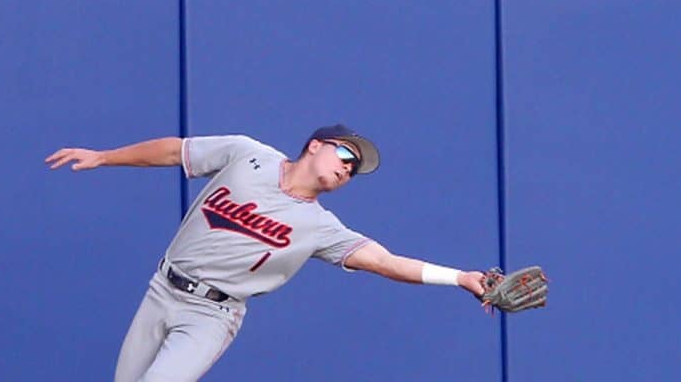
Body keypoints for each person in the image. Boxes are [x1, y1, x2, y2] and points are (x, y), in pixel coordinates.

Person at [45, 124, 487, 382]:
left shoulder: (320, 227)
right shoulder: (247, 154)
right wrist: (104, 157)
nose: (347, 168)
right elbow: (175, 151)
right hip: (161, 288)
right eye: (345, 154)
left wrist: (460, 277)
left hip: (211, 314)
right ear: (315, 144)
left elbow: (385, 262)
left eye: (354, 169)